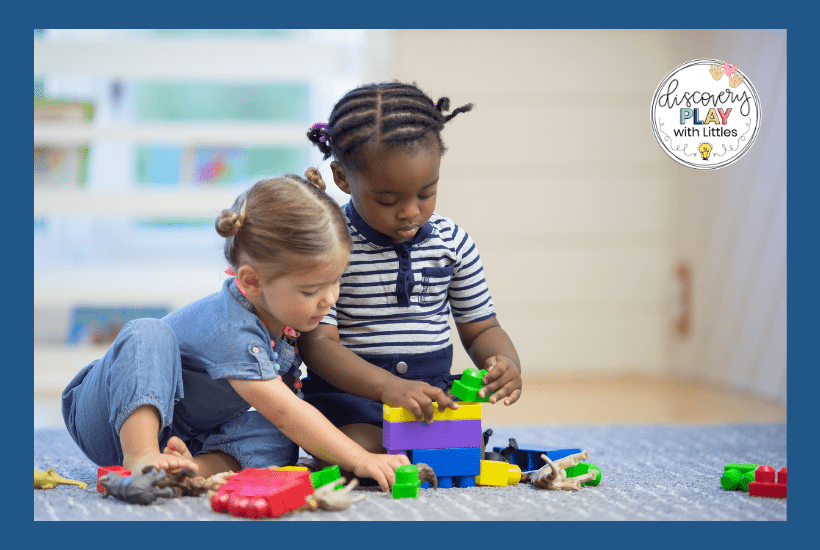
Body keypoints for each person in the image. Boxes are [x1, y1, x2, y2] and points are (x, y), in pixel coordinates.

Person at [61, 169, 409, 491]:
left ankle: (189, 470)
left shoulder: (284, 318)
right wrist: (360, 458)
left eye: (335, 282)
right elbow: (288, 411)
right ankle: (141, 455)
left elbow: (286, 415)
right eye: (310, 291)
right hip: (107, 415)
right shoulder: (234, 329)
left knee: (280, 438)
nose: (329, 299)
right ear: (252, 282)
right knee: (147, 333)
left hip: (188, 432)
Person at [299, 81, 523, 461]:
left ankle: (414, 449)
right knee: (354, 448)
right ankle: (376, 452)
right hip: (352, 398)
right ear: (342, 179)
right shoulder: (331, 245)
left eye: (426, 193)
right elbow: (318, 345)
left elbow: (482, 327)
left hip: (430, 398)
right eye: (387, 199)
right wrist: (387, 388)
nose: (410, 212)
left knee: (463, 450)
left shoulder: (453, 244)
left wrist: (504, 363)